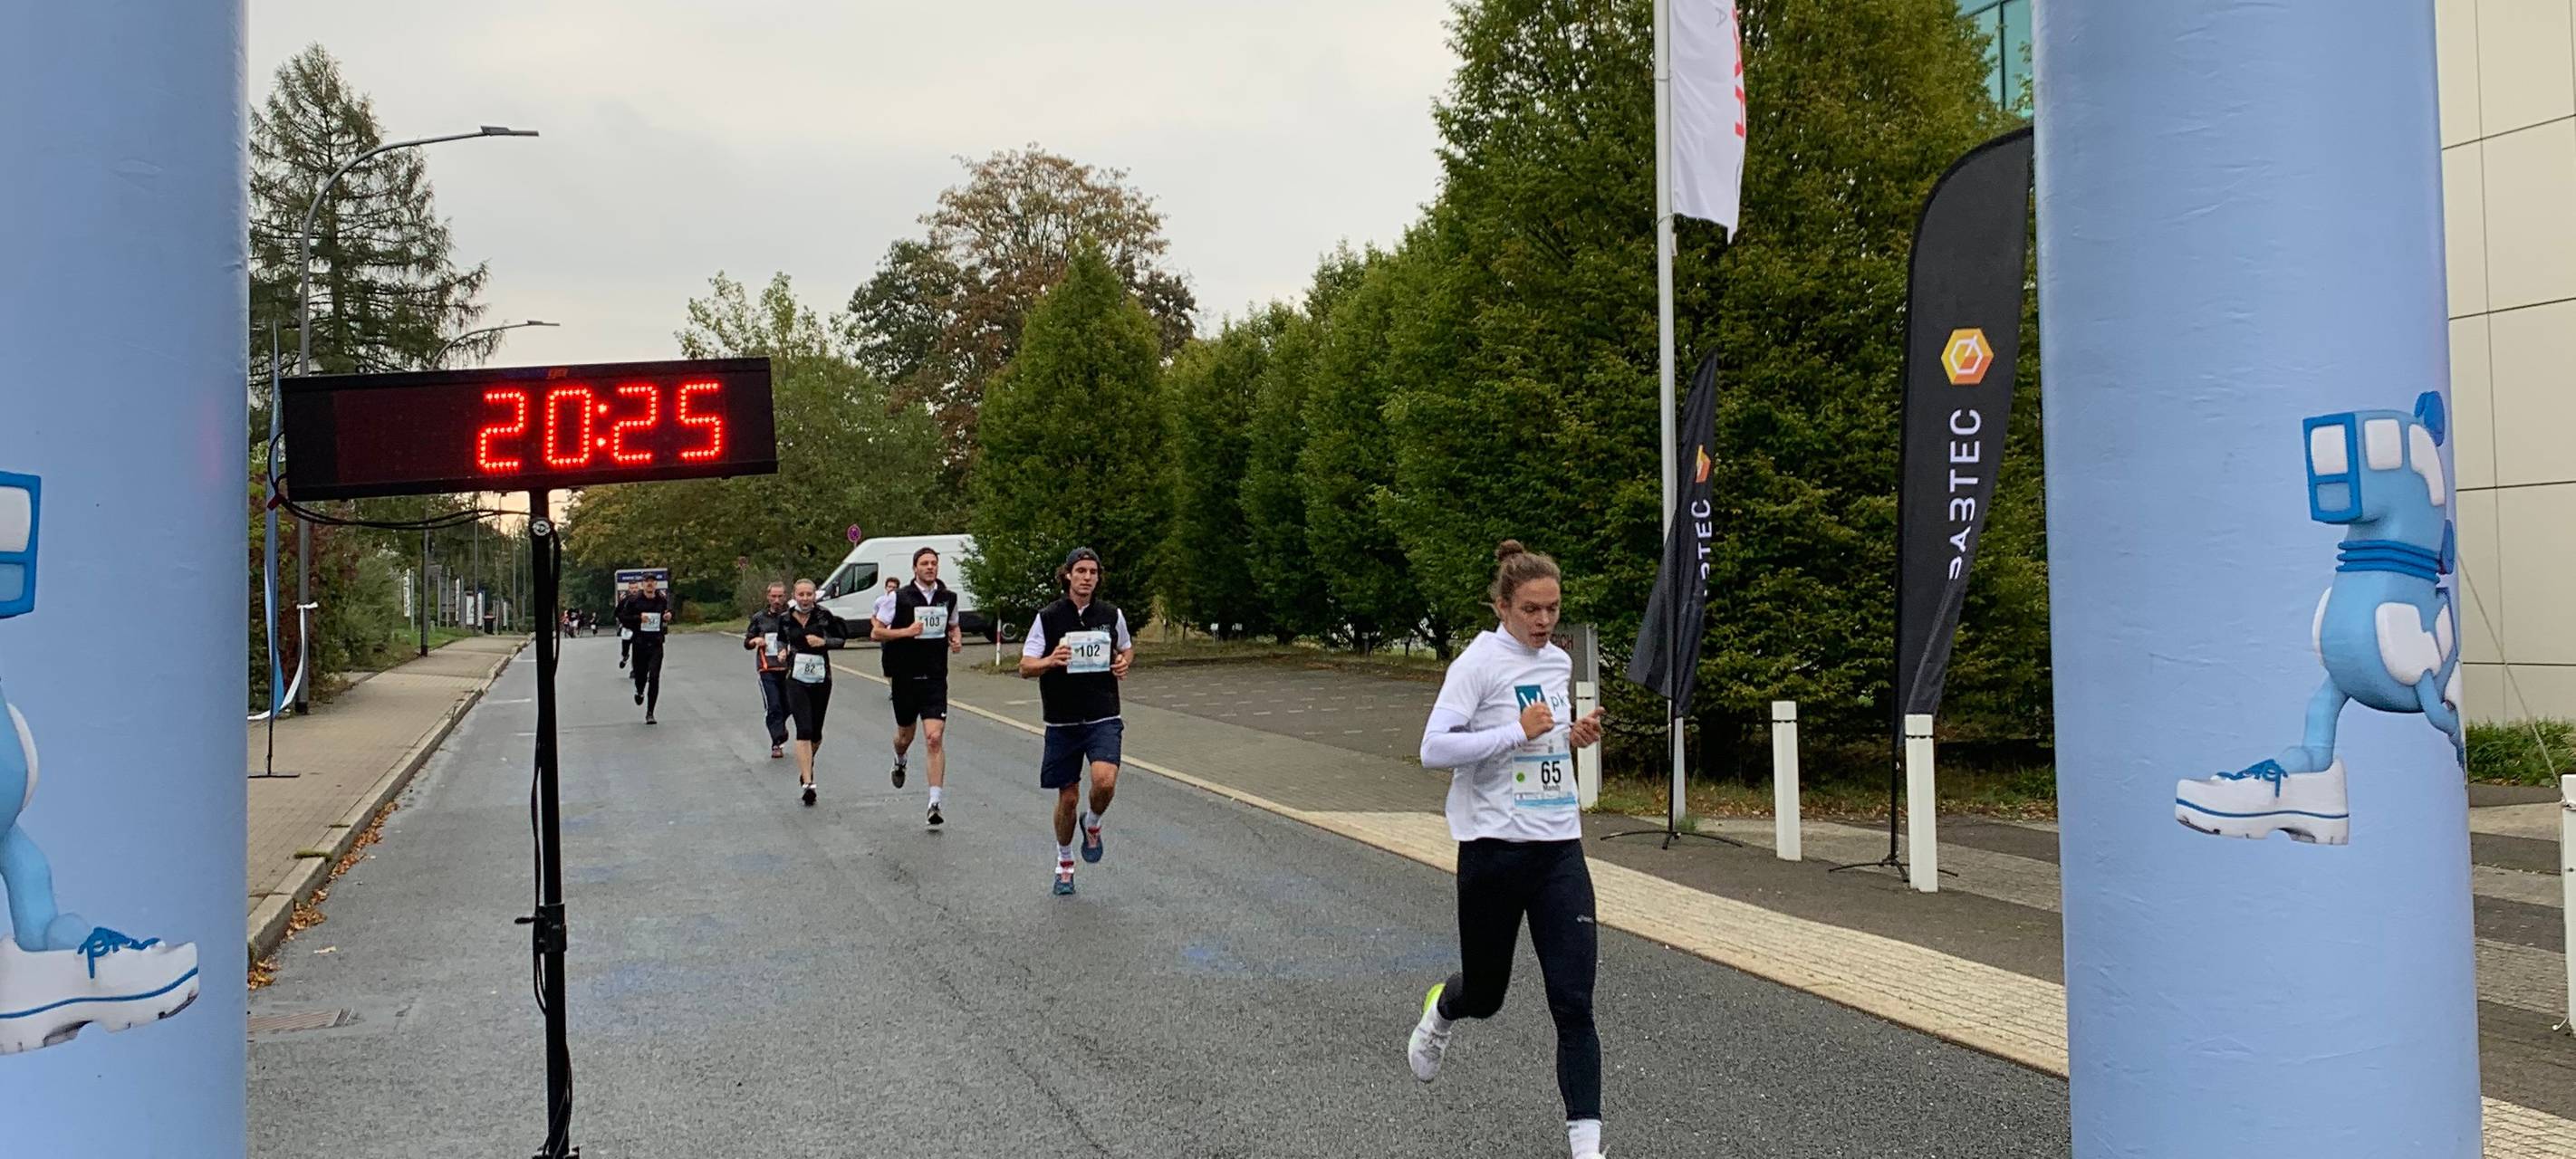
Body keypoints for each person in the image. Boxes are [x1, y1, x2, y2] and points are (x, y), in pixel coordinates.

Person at [1405, 541, 1609, 1159]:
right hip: (1493, 849)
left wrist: (1571, 736)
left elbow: (1542, 740)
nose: (1544, 622)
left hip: (1558, 849)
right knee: (1486, 996)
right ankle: (1443, 1010)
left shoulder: (1554, 663)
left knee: (1573, 1002)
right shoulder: (1477, 663)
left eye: (1553, 609)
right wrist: (1510, 734)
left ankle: (1587, 1147)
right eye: (1531, 610)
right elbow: (1433, 749)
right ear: (1502, 606)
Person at [1017, 547, 1132, 896]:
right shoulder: (1049, 617)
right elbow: (1025, 666)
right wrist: (1051, 659)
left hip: (1102, 713)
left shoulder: (1111, 614)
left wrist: (1123, 663)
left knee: (1105, 781)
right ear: (1067, 575)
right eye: (1080, 571)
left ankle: (1093, 823)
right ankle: (1064, 863)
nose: (1087, 578)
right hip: (1063, 720)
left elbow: (1126, 648)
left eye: (1093, 572)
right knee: (1067, 799)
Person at [873, 547, 962, 826]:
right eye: (924, 564)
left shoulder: (948, 598)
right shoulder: (897, 598)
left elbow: (953, 626)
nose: (930, 568)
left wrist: (956, 639)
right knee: (905, 736)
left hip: (935, 676)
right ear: (915, 568)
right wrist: (906, 632)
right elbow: (876, 631)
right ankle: (900, 758)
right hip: (905, 677)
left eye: (933, 563)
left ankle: (934, 802)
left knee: (934, 738)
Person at [781, 579, 847, 807]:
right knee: (804, 729)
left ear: (814, 596)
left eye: (809, 594)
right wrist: (782, 652)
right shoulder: (785, 618)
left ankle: (806, 765)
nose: (805, 598)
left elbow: (841, 641)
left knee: (816, 733)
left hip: (820, 678)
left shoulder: (824, 616)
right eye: (801, 594)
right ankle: (808, 783)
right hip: (796, 678)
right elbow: (781, 640)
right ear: (795, 595)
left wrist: (823, 641)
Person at [743, 581, 794, 760]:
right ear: (768, 597)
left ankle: (780, 728)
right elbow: (747, 642)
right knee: (773, 706)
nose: (777, 600)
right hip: (767, 669)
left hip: (789, 669)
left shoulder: (792, 617)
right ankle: (777, 742)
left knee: (789, 706)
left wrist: (788, 650)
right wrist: (755, 641)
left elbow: (799, 639)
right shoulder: (759, 618)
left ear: (785, 597)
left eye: (780, 596)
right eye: (773, 596)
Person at [619, 577, 672, 724]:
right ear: (643, 584)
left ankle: (650, 713)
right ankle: (640, 691)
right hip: (640, 643)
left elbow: (666, 613)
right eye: (647, 581)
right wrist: (638, 618)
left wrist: (668, 616)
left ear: (655, 584)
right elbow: (622, 617)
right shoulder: (635, 600)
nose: (650, 584)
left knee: (654, 677)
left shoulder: (661, 599)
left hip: (656, 644)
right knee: (641, 676)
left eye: (652, 581)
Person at [614, 582, 636, 668]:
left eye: (635, 588)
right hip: (627, 629)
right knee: (625, 648)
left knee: (637, 650)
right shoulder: (624, 601)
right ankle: (625, 656)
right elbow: (617, 613)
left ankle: (635, 669)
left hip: (639, 629)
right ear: (629, 589)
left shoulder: (642, 600)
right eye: (632, 588)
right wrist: (622, 619)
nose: (634, 590)